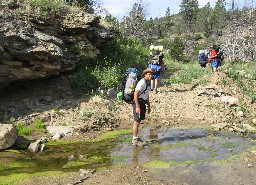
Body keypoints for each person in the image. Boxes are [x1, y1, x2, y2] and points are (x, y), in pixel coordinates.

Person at [132, 68, 153, 146]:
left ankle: (136, 138)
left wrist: (149, 105)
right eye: (149, 74)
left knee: (139, 120)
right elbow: (135, 94)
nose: (151, 76)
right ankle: (134, 139)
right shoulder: (142, 82)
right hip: (138, 103)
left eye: (151, 74)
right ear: (145, 75)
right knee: (136, 121)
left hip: (143, 103)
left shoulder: (147, 83)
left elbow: (146, 95)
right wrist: (137, 106)